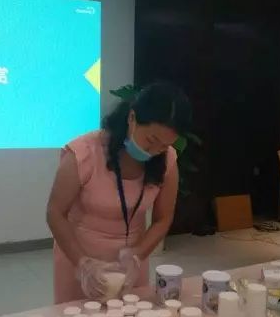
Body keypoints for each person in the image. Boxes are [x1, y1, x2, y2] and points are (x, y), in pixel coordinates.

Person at [46, 82, 192, 303]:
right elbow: (55, 212)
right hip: (80, 259)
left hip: (130, 266)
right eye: (151, 141)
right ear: (132, 118)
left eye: (164, 146)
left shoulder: (167, 160)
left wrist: (137, 255)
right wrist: (83, 264)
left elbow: (163, 219)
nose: (155, 152)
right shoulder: (85, 152)